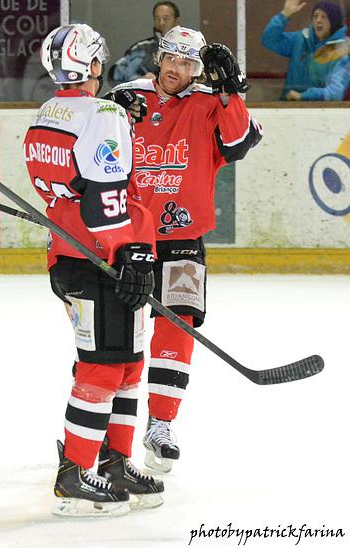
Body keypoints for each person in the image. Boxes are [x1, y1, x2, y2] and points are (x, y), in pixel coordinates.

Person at [105, 26, 263, 472]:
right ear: (159, 57)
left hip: (183, 236)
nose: (177, 68)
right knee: (117, 334)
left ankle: (161, 423)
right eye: (171, 58)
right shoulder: (126, 96)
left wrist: (231, 93)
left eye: (188, 63)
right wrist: (110, 110)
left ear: (198, 69)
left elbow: (240, 144)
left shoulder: (211, 102)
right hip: (126, 236)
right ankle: (103, 425)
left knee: (179, 326)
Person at [24, 23, 163, 517]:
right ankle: (75, 475)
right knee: (103, 368)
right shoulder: (103, 115)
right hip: (103, 258)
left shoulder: (47, 112)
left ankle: (115, 463)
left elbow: (74, 180)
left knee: (126, 363)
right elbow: (106, 200)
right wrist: (131, 253)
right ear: (95, 64)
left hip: (69, 254)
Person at [262, 0, 349, 100]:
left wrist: (303, 96)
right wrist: (284, 15)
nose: (318, 20)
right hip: (287, 105)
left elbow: (336, 93)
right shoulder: (300, 39)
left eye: (324, 17)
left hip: (319, 109)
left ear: (334, 22)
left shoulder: (342, 51)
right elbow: (269, 40)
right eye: (315, 16)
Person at [109, 1, 181, 85]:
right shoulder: (142, 49)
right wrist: (138, 81)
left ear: (176, 21)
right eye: (157, 18)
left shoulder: (190, 48)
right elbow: (115, 75)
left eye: (166, 18)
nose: (161, 22)